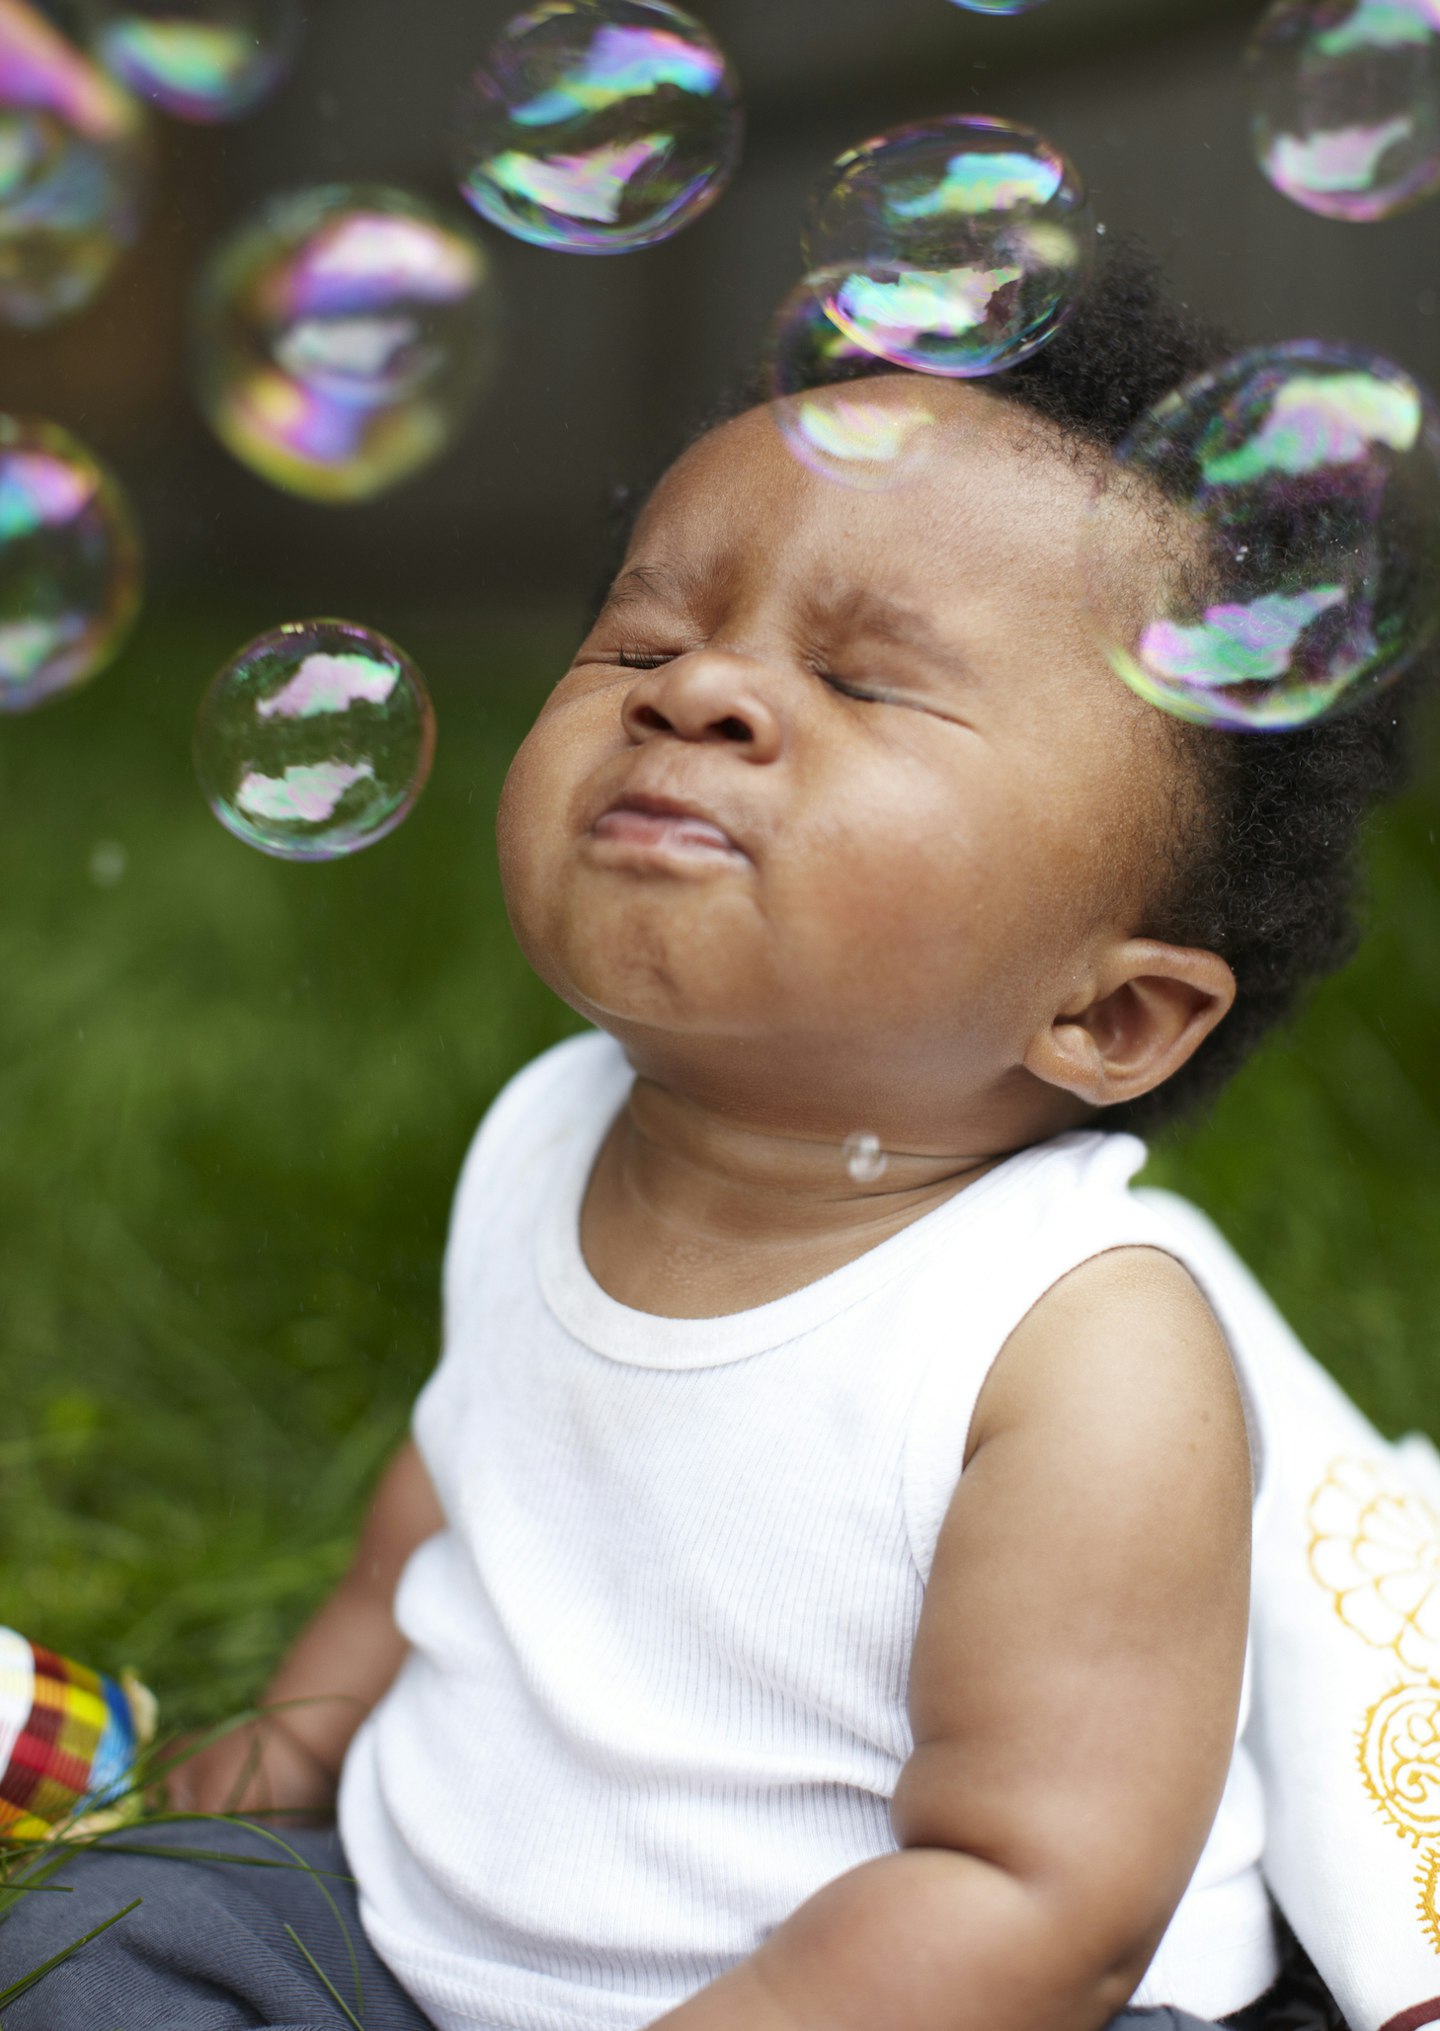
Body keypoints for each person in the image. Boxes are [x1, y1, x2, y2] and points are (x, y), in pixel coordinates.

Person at [3, 242, 1431, 2031]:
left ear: (1109, 1014)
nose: (698, 693)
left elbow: (1035, 1897)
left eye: (868, 681)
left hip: (917, 2000)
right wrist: (252, 1793)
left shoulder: (1075, 1350)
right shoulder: (548, 1123)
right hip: (439, 1926)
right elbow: (447, 1516)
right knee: (94, 1951)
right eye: (643, 637)